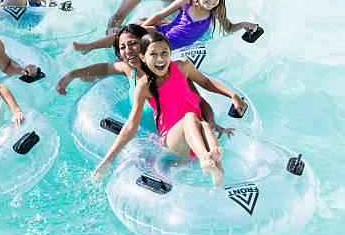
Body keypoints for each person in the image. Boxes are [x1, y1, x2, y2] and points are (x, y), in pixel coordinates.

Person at [92, 32, 247, 186]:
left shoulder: (183, 66)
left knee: (205, 125)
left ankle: (217, 171)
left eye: (164, 53)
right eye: (153, 54)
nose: (160, 59)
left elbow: (206, 82)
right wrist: (108, 160)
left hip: (195, 138)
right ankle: (206, 159)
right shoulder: (144, 86)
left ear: (170, 53)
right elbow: (131, 126)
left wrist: (232, 95)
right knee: (190, 117)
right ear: (143, 57)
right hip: (172, 142)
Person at [57, 24, 234, 139]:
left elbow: (199, 101)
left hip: (174, 137)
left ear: (145, 43)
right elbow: (106, 68)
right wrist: (72, 74)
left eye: (133, 44)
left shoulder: (172, 71)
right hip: (144, 134)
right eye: (123, 47)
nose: (128, 51)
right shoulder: (129, 68)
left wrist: (210, 124)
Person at [73, 0, 258, 53]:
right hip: (161, 35)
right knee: (131, 34)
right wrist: (144, 26)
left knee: (136, 38)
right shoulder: (186, 0)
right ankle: (89, 46)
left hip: (169, 46)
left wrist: (242, 25)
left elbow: (228, 28)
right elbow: (161, 15)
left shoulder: (215, 13)